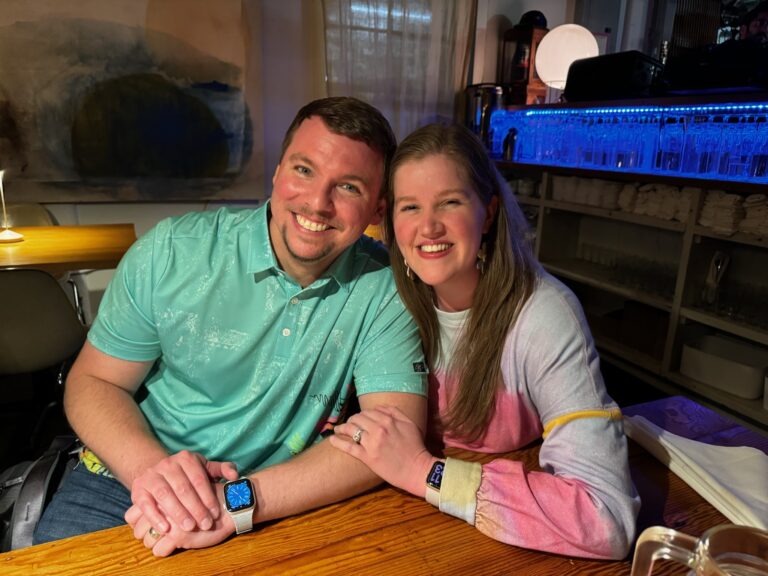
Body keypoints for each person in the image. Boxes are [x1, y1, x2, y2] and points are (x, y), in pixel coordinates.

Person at [34, 97, 429, 556]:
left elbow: (391, 436)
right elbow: (94, 380)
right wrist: (154, 473)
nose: (317, 203)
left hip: (274, 500)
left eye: (349, 188)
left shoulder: (387, 288)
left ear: (378, 209)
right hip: (124, 477)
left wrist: (235, 503)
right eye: (304, 170)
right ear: (279, 171)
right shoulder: (172, 252)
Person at [330, 123, 640, 559]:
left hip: (494, 542)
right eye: (410, 207)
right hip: (389, 528)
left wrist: (425, 471)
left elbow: (606, 519)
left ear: (488, 212)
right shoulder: (387, 297)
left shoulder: (543, 315)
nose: (428, 227)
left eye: (450, 202)